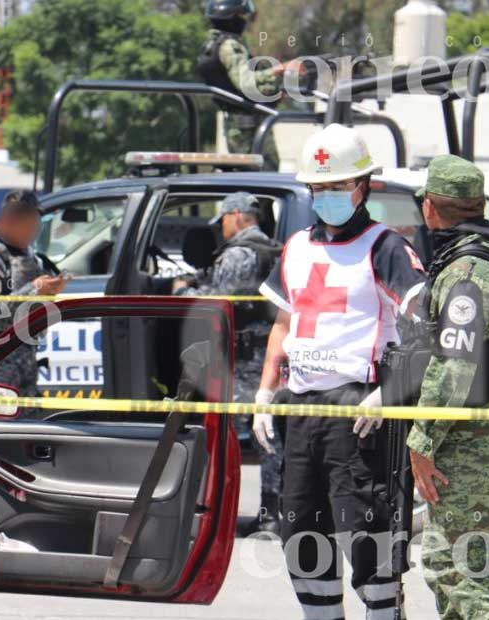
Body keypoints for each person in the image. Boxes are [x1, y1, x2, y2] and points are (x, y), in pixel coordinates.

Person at [255, 124, 426, 620]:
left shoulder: (386, 246)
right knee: (302, 536)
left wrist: (387, 393)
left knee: (367, 537)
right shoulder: (295, 248)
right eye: (318, 187)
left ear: (363, 186)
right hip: (304, 411)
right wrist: (265, 393)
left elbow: (426, 329)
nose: (326, 196)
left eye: (337, 186)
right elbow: (284, 324)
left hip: (360, 413)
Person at [405, 155, 489, 620]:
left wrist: (423, 439)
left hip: (467, 438)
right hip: (482, 428)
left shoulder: (468, 270)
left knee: (468, 567)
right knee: (447, 559)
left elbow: (454, 365)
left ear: (432, 206)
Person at [175, 191, 284, 533]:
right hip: (267, 354)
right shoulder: (275, 250)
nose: (221, 228)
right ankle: (272, 511)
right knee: (268, 434)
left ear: (236, 216)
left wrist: (183, 291)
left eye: (222, 220)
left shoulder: (238, 253)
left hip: (244, 360)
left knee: (224, 434)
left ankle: (215, 511)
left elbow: (215, 303)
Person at [0, 190, 65, 398]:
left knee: (27, 427)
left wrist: (50, 291)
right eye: (27, 224)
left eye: (35, 223)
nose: (33, 230)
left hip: (24, 357)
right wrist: (34, 290)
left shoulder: (27, 254)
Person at [195, 0, 303, 162]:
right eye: (240, 15)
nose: (243, 20)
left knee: (250, 175)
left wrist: (272, 93)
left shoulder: (212, 45)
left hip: (240, 123)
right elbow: (246, 82)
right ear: (230, 18)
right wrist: (280, 69)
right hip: (247, 127)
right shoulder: (230, 46)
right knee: (265, 176)